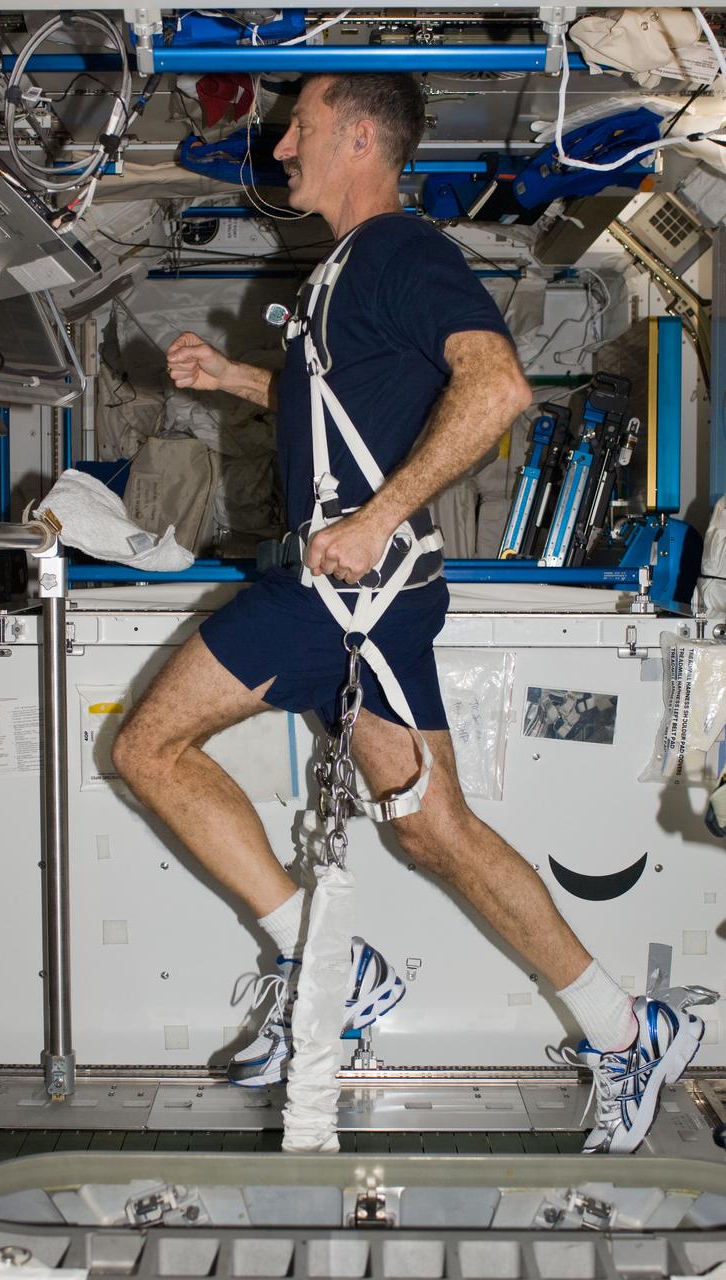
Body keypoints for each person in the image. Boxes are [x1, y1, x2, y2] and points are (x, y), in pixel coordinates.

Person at [112, 73, 712, 1154]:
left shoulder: (399, 252)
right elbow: (349, 402)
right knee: (437, 830)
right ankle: (628, 1025)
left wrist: (381, 516)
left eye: (298, 124)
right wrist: (237, 381)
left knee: (151, 744)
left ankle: (329, 968)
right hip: (351, 599)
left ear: (354, 136)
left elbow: (495, 389)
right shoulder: (343, 272)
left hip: (342, 595)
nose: (281, 143)